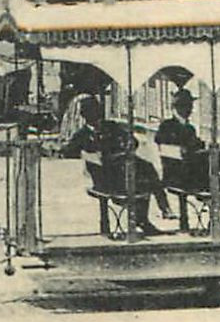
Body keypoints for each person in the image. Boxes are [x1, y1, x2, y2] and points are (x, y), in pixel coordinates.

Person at [61, 96, 163, 236]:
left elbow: (132, 140)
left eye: (97, 111)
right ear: (84, 116)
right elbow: (67, 151)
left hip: (121, 166)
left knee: (145, 169)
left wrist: (129, 143)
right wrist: (87, 152)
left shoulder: (111, 126)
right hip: (103, 177)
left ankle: (146, 217)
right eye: (91, 112)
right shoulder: (82, 135)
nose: (96, 116)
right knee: (136, 175)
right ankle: (143, 217)